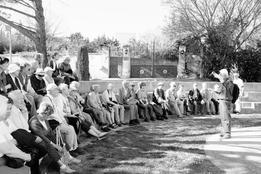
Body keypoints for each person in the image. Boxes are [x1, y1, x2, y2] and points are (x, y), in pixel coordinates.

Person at [29, 102, 78, 173]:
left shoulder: (44, 119)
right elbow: (42, 137)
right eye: (48, 115)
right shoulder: (34, 122)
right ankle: (63, 167)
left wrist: (57, 138)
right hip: (39, 141)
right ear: (43, 113)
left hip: (46, 138)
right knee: (50, 146)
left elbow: (50, 131)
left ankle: (68, 157)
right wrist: (56, 145)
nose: (48, 117)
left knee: (61, 140)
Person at [41, 84, 82, 156]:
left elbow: (58, 112)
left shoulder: (52, 98)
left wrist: (62, 120)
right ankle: (69, 150)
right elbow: (50, 114)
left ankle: (74, 148)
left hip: (56, 121)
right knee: (69, 129)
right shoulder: (46, 99)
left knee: (71, 127)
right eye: (56, 90)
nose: (58, 91)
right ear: (51, 91)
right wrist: (60, 121)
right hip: (51, 123)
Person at [212, 69, 233, 139]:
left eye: (221, 75)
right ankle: (225, 131)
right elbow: (221, 92)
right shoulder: (225, 82)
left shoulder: (228, 82)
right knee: (223, 117)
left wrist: (217, 77)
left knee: (225, 117)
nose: (220, 76)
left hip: (225, 101)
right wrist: (216, 90)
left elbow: (224, 88)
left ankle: (227, 133)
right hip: (222, 101)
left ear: (224, 75)